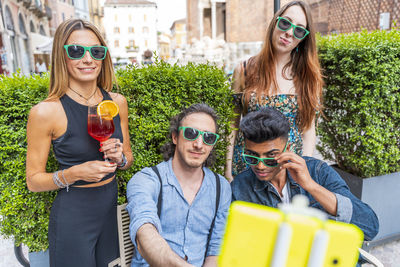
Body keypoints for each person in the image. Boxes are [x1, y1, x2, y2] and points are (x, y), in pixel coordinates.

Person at [26, 19, 133, 267]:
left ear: (104, 56)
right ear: (61, 56)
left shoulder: (116, 102)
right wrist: (73, 174)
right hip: (73, 217)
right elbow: (33, 181)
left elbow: (128, 159)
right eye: (76, 51)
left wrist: (120, 158)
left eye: (96, 51)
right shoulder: (46, 112)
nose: (88, 59)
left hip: (110, 212)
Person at [231, 108, 379, 245]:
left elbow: (370, 226)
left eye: (271, 157)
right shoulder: (240, 187)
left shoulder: (317, 171)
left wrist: (311, 185)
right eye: (252, 157)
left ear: (287, 149)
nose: (260, 166)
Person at [225, 0, 323, 180]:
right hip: (247, 167)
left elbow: (309, 132)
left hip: (287, 172)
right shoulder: (244, 70)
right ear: (275, 22)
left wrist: (305, 172)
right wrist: (227, 169)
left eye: (299, 30)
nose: (289, 32)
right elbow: (232, 125)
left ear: (303, 38)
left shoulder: (308, 77)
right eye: (285, 23)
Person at [126, 103, 231, 267]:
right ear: (175, 137)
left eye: (208, 137)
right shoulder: (146, 180)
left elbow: (215, 251)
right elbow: (145, 232)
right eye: (191, 133)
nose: (199, 144)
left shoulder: (221, 187)